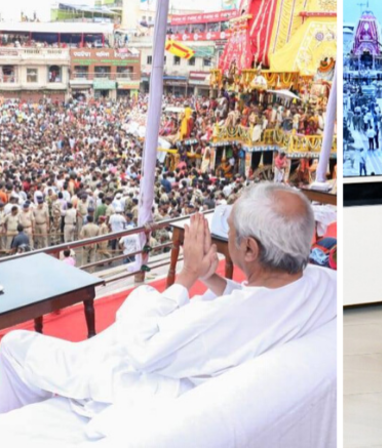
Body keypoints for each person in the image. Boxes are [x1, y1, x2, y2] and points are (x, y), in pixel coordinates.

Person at [0, 183, 336, 433]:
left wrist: (185, 277)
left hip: (138, 379)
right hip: (174, 360)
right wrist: (211, 277)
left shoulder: (219, 321)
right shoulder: (320, 285)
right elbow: (257, 301)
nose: (226, 236)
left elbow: (143, 349)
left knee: (15, 347)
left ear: (249, 249)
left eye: (229, 232)